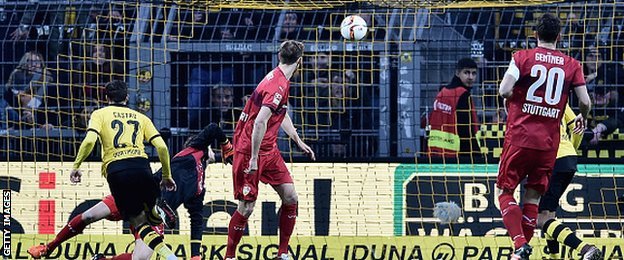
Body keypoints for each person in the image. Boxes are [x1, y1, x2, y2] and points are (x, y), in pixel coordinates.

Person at [27, 123, 235, 260]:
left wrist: (195, 255)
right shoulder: (192, 152)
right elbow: (212, 129)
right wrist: (227, 145)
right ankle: (49, 247)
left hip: (154, 217)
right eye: (212, 147)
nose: (213, 150)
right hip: (139, 194)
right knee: (90, 215)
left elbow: (197, 220)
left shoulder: (200, 187)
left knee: (140, 259)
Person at [496, 13, 591, 259]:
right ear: (559, 37)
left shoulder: (521, 57)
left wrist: (519, 96)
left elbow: (504, 90)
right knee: (533, 199)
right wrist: (582, 116)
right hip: (549, 145)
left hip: (520, 137)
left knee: (504, 192)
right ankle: (521, 253)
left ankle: (519, 245)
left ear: (535, 35)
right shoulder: (572, 64)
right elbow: (585, 101)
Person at [225, 40, 315, 260]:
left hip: (269, 150)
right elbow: (259, 123)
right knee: (246, 206)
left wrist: (297, 140)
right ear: (300, 61)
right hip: (250, 150)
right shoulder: (278, 85)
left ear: (279, 56)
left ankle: (282, 254)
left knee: (291, 197)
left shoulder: (278, 77)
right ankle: (229, 257)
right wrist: (254, 158)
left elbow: (279, 113)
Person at [68, 80, 178, 260]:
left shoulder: (99, 114)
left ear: (106, 97)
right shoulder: (141, 117)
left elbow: (89, 141)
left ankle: (169, 253)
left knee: (139, 223)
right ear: (127, 97)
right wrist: (166, 175)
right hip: (142, 167)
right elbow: (162, 148)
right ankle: (155, 208)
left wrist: (77, 165)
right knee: (150, 221)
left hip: (117, 172)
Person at [537, 104, 602, 259]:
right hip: (568, 158)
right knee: (548, 215)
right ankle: (554, 257)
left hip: (550, 160)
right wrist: (570, 148)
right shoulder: (560, 98)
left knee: (541, 219)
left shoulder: (529, 100)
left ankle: (586, 249)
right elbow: (576, 125)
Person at [427, 58, 480, 158]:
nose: (470, 77)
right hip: (457, 154)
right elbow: (466, 130)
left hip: (435, 151)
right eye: (466, 73)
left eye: (474, 73)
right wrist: (476, 154)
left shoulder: (442, 93)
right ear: (457, 73)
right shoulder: (463, 95)